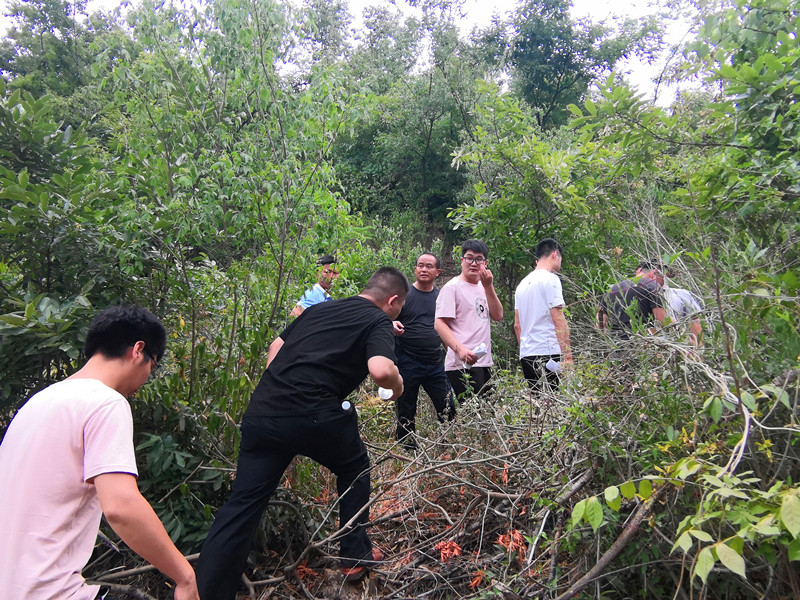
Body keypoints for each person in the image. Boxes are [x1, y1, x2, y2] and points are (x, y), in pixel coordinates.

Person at [196, 267, 408, 599]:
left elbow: (275, 346)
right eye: (399, 308)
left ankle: (208, 590)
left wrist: (283, 390)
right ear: (393, 301)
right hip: (314, 413)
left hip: (265, 409)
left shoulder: (320, 309)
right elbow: (381, 370)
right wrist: (397, 386)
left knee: (243, 504)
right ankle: (354, 555)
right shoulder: (377, 320)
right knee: (355, 468)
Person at [0, 305, 199, 600]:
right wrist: (185, 577)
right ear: (138, 350)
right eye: (152, 365)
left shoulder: (37, 402)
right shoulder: (105, 403)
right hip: (49, 592)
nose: (146, 378)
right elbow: (120, 506)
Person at [392, 252, 454, 449]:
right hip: (407, 361)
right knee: (406, 408)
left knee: (448, 406)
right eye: (420, 265)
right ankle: (407, 450)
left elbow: (447, 330)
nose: (424, 269)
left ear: (438, 272)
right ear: (415, 269)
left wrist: (453, 358)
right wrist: (391, 324)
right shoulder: (404, 296)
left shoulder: (441, 297)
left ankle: (449, 446)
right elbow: (384, 318)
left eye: (429, 266)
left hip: (435, 363)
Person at [434, 239, 504, 400]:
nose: (473, 263)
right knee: (476, 416)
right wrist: (460, 350)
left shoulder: (484, 286)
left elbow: (498, 315)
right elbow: (439, 323)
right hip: (461, 364)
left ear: (485, 263)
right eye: (469, 258)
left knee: (486, 415)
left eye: (478, 259)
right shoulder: (452, 288)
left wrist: (488, 286)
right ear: (462, 261)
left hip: (483, 361)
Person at [514, 238, 572, 391]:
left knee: (537, 404)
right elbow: (559, 319)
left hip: (527, 354)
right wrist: (568, 357)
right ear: (555, 254)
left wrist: (526, 349)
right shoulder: (551, 279)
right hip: (548, 351)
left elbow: (517, 325)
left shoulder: (522, 285)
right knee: (552, 404)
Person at [597, 260, 667, 337]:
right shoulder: (652, 286)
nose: (662, 283)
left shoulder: (612, 289)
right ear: (653, 273)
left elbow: (600, 324)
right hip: (642, 342)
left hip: (616, 343)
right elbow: (663, 322)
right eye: (662, 278)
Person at [664, 270, 703, 346]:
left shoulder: (681, 294)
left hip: (681, 345)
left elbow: (695, 321)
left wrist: (699, 349)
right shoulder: (641, 295)